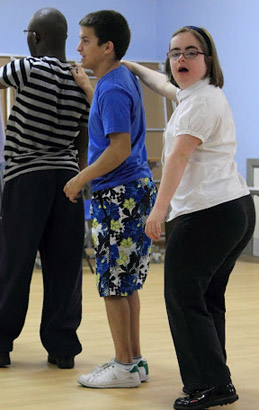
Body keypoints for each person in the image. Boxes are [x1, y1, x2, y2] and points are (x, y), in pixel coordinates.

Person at [123, 26, 255, 409]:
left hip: (208, 213)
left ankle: (211, 385)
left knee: (183, 297)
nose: (181, 59)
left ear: (208, 60)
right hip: (232, 208)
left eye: (190, 52)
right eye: (175, 52)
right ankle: (216, 378)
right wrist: (132, 66)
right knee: (206, 298)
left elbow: (179, 158)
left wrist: (158, 212)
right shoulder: (198, 95)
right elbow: (164, 84)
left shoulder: (199, 104)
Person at [64, 10, 156, 388]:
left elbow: (117, 149)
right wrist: (88, 86)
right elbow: (110, 117)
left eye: (86, 40)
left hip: (119, 195)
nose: (79, 46)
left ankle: (122, 366)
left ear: (108, 46)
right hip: (132, 192)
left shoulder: (115, 87)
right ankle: (133, 360)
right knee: (127, 281)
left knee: (114, 283)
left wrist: (79, 179)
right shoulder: (116, 80)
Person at [0, 8, 90, 369]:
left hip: (26, 179)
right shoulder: (82, 77)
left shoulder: (27, 66)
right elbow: (83, 135)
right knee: (65, 267)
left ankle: (1, 343)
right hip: (68, 181)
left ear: (34, 38)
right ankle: (63, 347)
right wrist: (79, 178)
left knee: (14, 264)